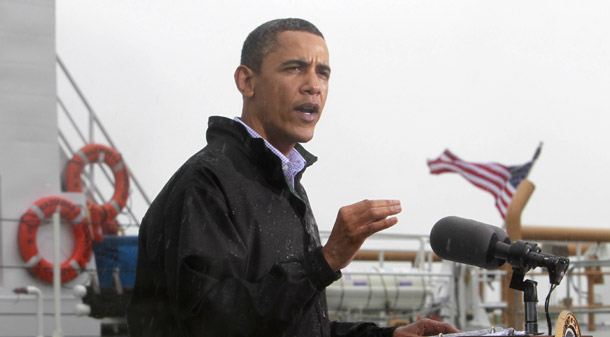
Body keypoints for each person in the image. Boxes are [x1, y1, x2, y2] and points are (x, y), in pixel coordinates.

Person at [126, 18, 459, 337]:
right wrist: (324, 261)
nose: (313, 85)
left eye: (323, 73)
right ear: (246, 81)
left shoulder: (282, 182)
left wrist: (386, 336)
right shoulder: (206, 183)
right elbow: (213, 324)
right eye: (295, 68)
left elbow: (289, 328)